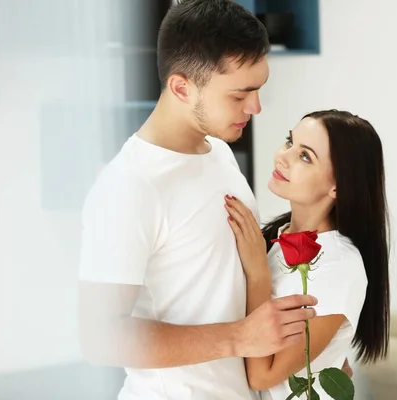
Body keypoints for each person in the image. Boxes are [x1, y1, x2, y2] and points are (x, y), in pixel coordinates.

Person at [76, 1, 317, 399]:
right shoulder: (130, 186)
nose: (255, 108)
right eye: (240, 95)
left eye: (259, 89)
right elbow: (98, 338)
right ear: (181, 87)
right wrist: (239, 337)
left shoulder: (219, 153)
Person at [223, 110, 391, 399]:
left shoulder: (338, 268)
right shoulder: (276, 238)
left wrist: (258, 274)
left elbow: (263, 376)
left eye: (305, 157)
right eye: (290, 142)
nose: (282, 156)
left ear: (338, 185)